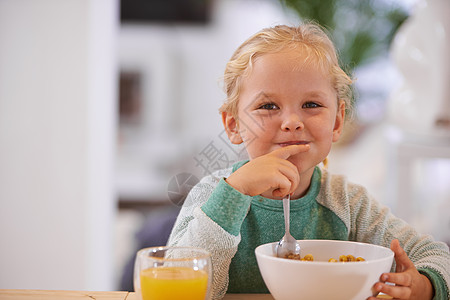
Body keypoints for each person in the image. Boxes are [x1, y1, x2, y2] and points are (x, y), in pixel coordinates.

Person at [167, 23, 450, 300]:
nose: (291, 122)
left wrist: (423, 286)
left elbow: (437, 256)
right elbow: (174, 284)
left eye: (311, 105)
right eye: (268, 106)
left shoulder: (348, 203)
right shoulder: (211, 194)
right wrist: (234, 193)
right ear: (233, 125)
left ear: (337, 120)